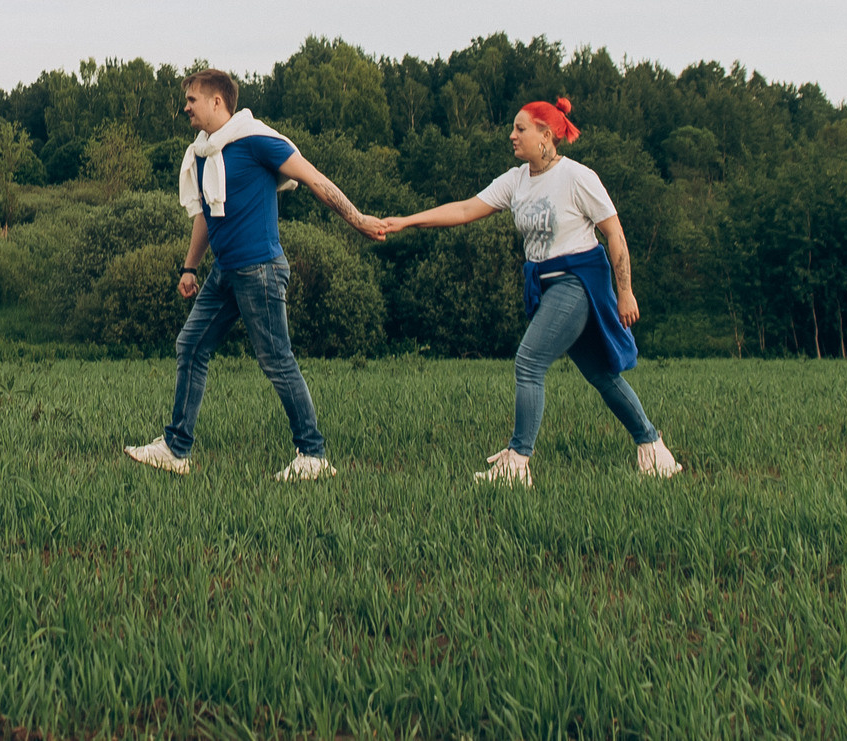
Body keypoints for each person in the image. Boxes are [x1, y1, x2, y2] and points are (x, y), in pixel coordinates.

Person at [378, 98, 683, 485]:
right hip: (546, 285)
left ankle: (517, 463)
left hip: (578, 282)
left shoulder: (577, 177)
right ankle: (654, 449)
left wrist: (626, 292)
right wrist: (406, 221)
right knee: (601, 374)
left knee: (529, 362)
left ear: (546, 135)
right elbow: (465, 209)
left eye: (521, 128)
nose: (512, 135)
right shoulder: (516, 180)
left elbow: (615, 235)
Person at [124, 69, 390, 482]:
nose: (186, 107)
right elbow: (206, 215)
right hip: (225, 271)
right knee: (190, 345)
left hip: (261, 270)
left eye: (192, 99)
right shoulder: (201, 153)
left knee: (276, 360)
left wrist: (357, 220)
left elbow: (314, 179)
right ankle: (176, 448)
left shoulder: (257, 141)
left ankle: (313, 455)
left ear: (217, 102)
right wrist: (189, 266)